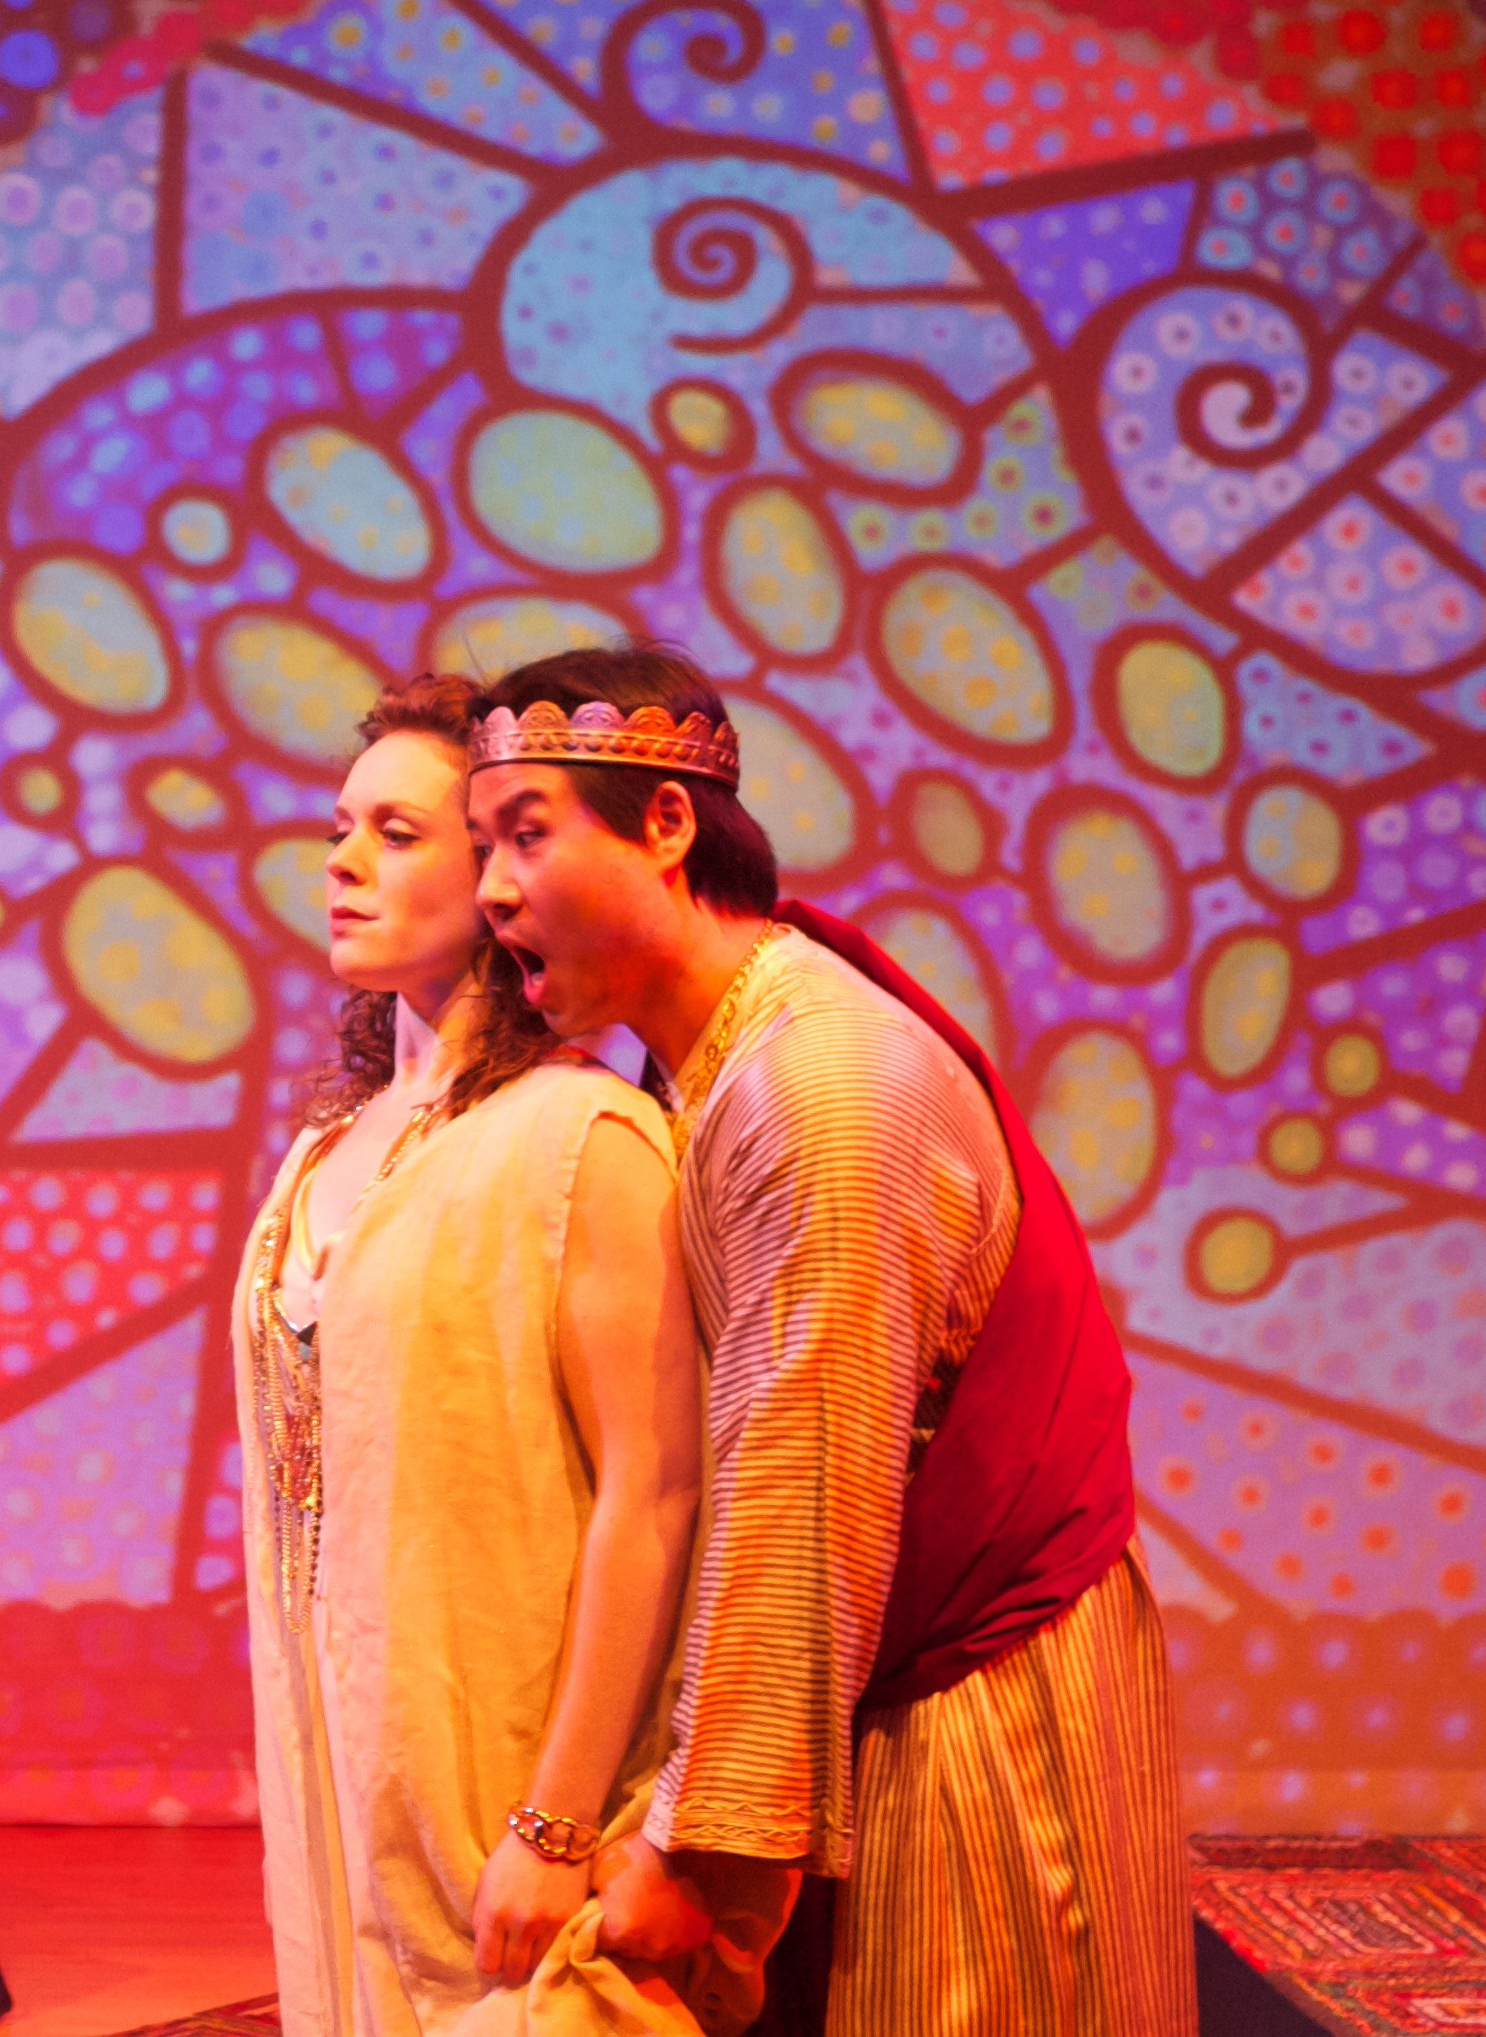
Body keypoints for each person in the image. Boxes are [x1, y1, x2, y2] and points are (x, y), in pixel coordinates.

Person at [464, 644, 1193, 2035]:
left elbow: (803, 1484)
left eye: (528, 834)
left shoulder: (819, 1084)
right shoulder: (726, 1053)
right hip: (869, 1683)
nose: (493, 888)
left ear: (665, 824)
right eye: (481, 846)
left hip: (971, 1699)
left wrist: (701, 1847)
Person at [235, 673, 713, 2037]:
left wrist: (557, 1821)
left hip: (507, 1789)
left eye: (397, 834)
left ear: (502, 872)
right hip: (344, 1772)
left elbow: (654, 1495)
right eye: (340, 829)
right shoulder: (321, 1155)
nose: (344, 861)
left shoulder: (582, 1139)